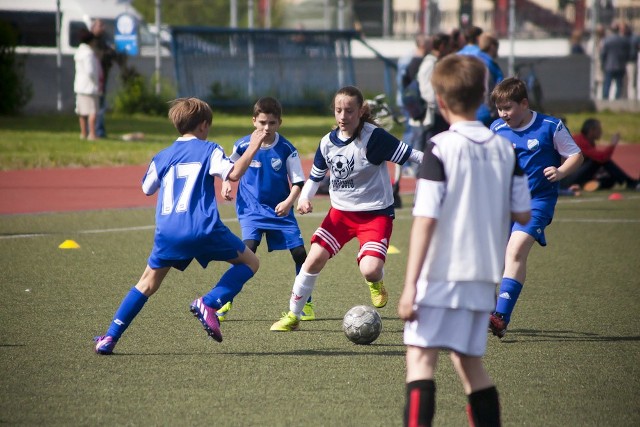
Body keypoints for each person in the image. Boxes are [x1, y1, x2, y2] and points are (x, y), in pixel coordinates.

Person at [398, 54, 532, 427]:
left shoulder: (439, 148)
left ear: (440, 100)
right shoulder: (505, 149)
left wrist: (409, 287)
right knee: (470, 365)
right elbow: (523, 213)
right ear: (484, 97)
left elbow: (425, 221)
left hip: (439, 275)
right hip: (482, 278)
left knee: (421, 361)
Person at [93, 97, 268, 355]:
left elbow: (146, 188)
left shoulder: (162, 156)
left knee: (146, 284)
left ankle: (110, 337)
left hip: (168, 232)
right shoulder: (209, 149)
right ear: (203, 125)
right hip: (202, 227)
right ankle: (210, 302)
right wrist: (252, 146)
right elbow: (232, 174)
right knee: (251, 262)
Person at [270, 85, 424, 332]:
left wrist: (444, 163)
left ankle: (375, 281)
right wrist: (304, 198)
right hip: (340, 215)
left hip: (375, 215)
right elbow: (315, 176)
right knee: (312, 261)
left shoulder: (375, 138)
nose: (343, 116)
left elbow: (413, 156)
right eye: (338, 110)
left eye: (349, 111)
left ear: (361, 111)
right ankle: (293, 315)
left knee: (371, 270)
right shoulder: (326, 143)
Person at [488, 77, 584, 338]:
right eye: (499, 108)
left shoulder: (550, 126)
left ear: (524, 103)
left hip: (537, 202)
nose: (503, 114)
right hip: (503, 203)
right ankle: (486, 307)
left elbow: (575, 155)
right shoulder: (496, 128)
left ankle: (500, 316)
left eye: (508, 107)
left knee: (516, 249)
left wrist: (561, 171)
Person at [219, 97, 316, 321]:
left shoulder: (286, 148)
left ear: (279, 123)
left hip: (280, 210)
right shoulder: (242, 145)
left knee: (301, 254)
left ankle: (306, 304)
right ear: (254, 121)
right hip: (251, 210)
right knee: (246, 253)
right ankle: (224, 301)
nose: (266, 128)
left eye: (272, 123)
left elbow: (298, 182)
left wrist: (289, 201)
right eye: (262, 122)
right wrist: (225, 183)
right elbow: (227, 167)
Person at [393, 33, 430, 207]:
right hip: (413, 103)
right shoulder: (416, 61)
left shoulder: (407, 58)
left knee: (411, 133)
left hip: (407, 101)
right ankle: (408, 163)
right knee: (413, 134)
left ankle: (406, 163)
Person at [561, 118, 639, 191]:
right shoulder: (579, 141)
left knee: (611, 179)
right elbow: (602, 158)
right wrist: (612, 144)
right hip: (567, 179)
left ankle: (590, 184)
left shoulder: (587, 141)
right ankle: (630, 183)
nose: (601, 132)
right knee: (598, 161)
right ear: (591, 130)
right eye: (599, 129)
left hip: (573, 175)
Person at [417, 33, 452, 148]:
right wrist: (440, 106)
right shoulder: (430, 63)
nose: (450, 50)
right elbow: (427, 91)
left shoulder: (437, 62)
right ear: (442, 46)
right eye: (449, 46)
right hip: (433, 115)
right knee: (429, 147)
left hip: (438, 113)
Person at [91, 19, 118, 138]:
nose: (103, 28)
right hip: (94, 79)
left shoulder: (103, 40)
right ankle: (96, 131)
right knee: (95, 106)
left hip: (102, 78)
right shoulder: (92, 41)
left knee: (100, 105)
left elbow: (110, 55)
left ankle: (99, 130)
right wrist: (109, 51)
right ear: (93, 27)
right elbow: (100, 56)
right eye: (100, 25)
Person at [73, 28, 102, 141]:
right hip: (89, 86)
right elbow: (91, 71)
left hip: (80, 86)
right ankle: (92, 134)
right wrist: (96, 81)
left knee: (82, 112)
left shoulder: (79, 52)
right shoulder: (88, 54)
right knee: (92, 112)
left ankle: (83, 133)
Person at [477, 32, 504, 127]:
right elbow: (488, 89)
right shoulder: (487, 65)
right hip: (486, 114)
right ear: (492, 46)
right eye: (497, 45)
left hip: (475, 112)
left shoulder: (475, 60)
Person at [600, 21, 631, 100]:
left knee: (607, 84)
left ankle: (605, 98)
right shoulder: (623, 40)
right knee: (619, 85)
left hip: (609, 65)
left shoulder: (607, 40)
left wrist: (603, 64)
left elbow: (603, 54)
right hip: (620, 65)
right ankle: (617, 99)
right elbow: (627, 53)